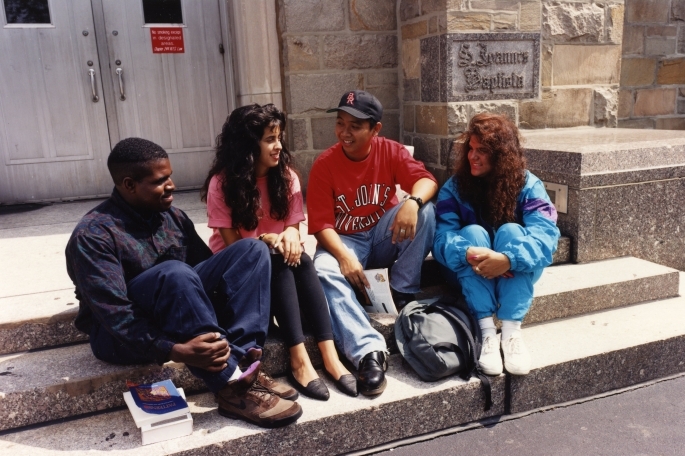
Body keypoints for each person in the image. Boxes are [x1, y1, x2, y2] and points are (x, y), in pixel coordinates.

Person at [65, 137, 302, 428]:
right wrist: (173, 349)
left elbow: (206, 275)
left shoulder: (173, 217)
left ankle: (243, 362)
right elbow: (116, 316)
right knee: (174, 272)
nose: (172, 186)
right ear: (129, 185)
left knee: (252, 250)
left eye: (170, 177)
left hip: (179, 317)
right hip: (119, 337)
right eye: (160, 181)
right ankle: (231, 385)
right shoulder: (94, 235)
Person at [201, 104, 357, 400]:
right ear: (249, 145)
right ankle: (299, 360)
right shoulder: (222, 184)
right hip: (238, 284)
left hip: (280, 274)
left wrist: (287, 234)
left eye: (279, 137)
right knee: (277, 259)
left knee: (300, 260)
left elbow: (293, 233)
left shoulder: (286, 177)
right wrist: (272, 238)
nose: (278, 146)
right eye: (270, 139)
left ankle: (330, 356)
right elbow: (238, 250)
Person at [307, 90, 438, 396]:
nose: (345, 132)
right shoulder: (325, 164)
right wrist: (343, 256)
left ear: (375, 129)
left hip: (381, 234)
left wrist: (412, 202)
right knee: (322, 269)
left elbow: (428, 181)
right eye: (340, 123)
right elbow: (320, 225)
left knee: (426, 211)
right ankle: (368, 352)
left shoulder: (389, 151)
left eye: (355, 126)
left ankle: (402, 292)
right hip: (345, 239)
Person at [432, 113, 560, 376]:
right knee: (473, 234)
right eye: (471, 149)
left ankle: (511, 332)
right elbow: (441, 237)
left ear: (501, 155)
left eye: (482, 151)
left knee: (513, 231)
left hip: (515, 268)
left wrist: (507, 260)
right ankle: (488, 332)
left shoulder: (528, 185)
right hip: (467, 268)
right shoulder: (454, 188)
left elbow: (546, 235)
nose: (472, 157)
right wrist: (467, 252)